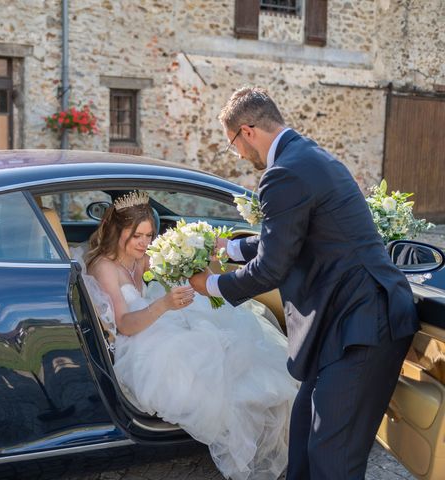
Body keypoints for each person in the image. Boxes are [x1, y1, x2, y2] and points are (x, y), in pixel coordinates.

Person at [189, 87, 419, 480]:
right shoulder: (306, 156)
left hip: (362, 324)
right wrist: (228, 248)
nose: (240, 157)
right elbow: (289, 239)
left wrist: (210, 286)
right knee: (304, 441)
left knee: (333, 458)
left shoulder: (284, 173)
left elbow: (271, 269)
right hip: (338, 324)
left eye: (233, 146)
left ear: (247, 131)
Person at [83, 191, 298, 480]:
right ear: (117, 232)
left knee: (229, 331)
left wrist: (194, 256)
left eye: (149, 235)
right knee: (213, 360)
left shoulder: (139, 257)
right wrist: (164, 304)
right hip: (138, 342)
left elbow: (168, 269)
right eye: (137, 236)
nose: (145, 243)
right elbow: (124, 324)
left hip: (156, 324)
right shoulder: (106, 267)